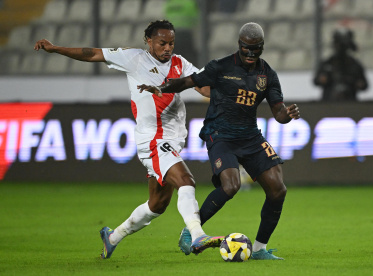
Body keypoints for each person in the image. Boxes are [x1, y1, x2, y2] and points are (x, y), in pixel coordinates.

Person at [34, 20, 223, 259]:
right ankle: (197, 235)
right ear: (149, 41)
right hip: (152, 139)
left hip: (173, 141)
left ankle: (112, 237)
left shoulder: (179, 63)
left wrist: (232, 87)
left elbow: (204, 88)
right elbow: (92, 54)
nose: (167, 48)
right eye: (162, 43)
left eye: (171, 43)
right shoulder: (133, 58)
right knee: (186, 181)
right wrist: (56, 48)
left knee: (157, 205)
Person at [138, 22, 301, 260]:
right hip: (220, 134)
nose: (250, 53)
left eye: (255, 49)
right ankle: (192, 230)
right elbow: (187, 82)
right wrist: (161, 88)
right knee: (231, 185)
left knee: (278, 190)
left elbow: (278, 112)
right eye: (246, 48)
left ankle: (259, 249)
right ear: (239, 45)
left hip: (250, 136)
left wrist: (287, 115)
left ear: (262, 47)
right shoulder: (220, 67)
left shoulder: (267, 75)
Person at [313, 27, 369, 101]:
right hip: (328, 102)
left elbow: (364, 84)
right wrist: (323, 80)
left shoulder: (354, 65)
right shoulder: (327, 63)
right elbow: (316, 81)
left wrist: (357, 83)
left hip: (350, 102)